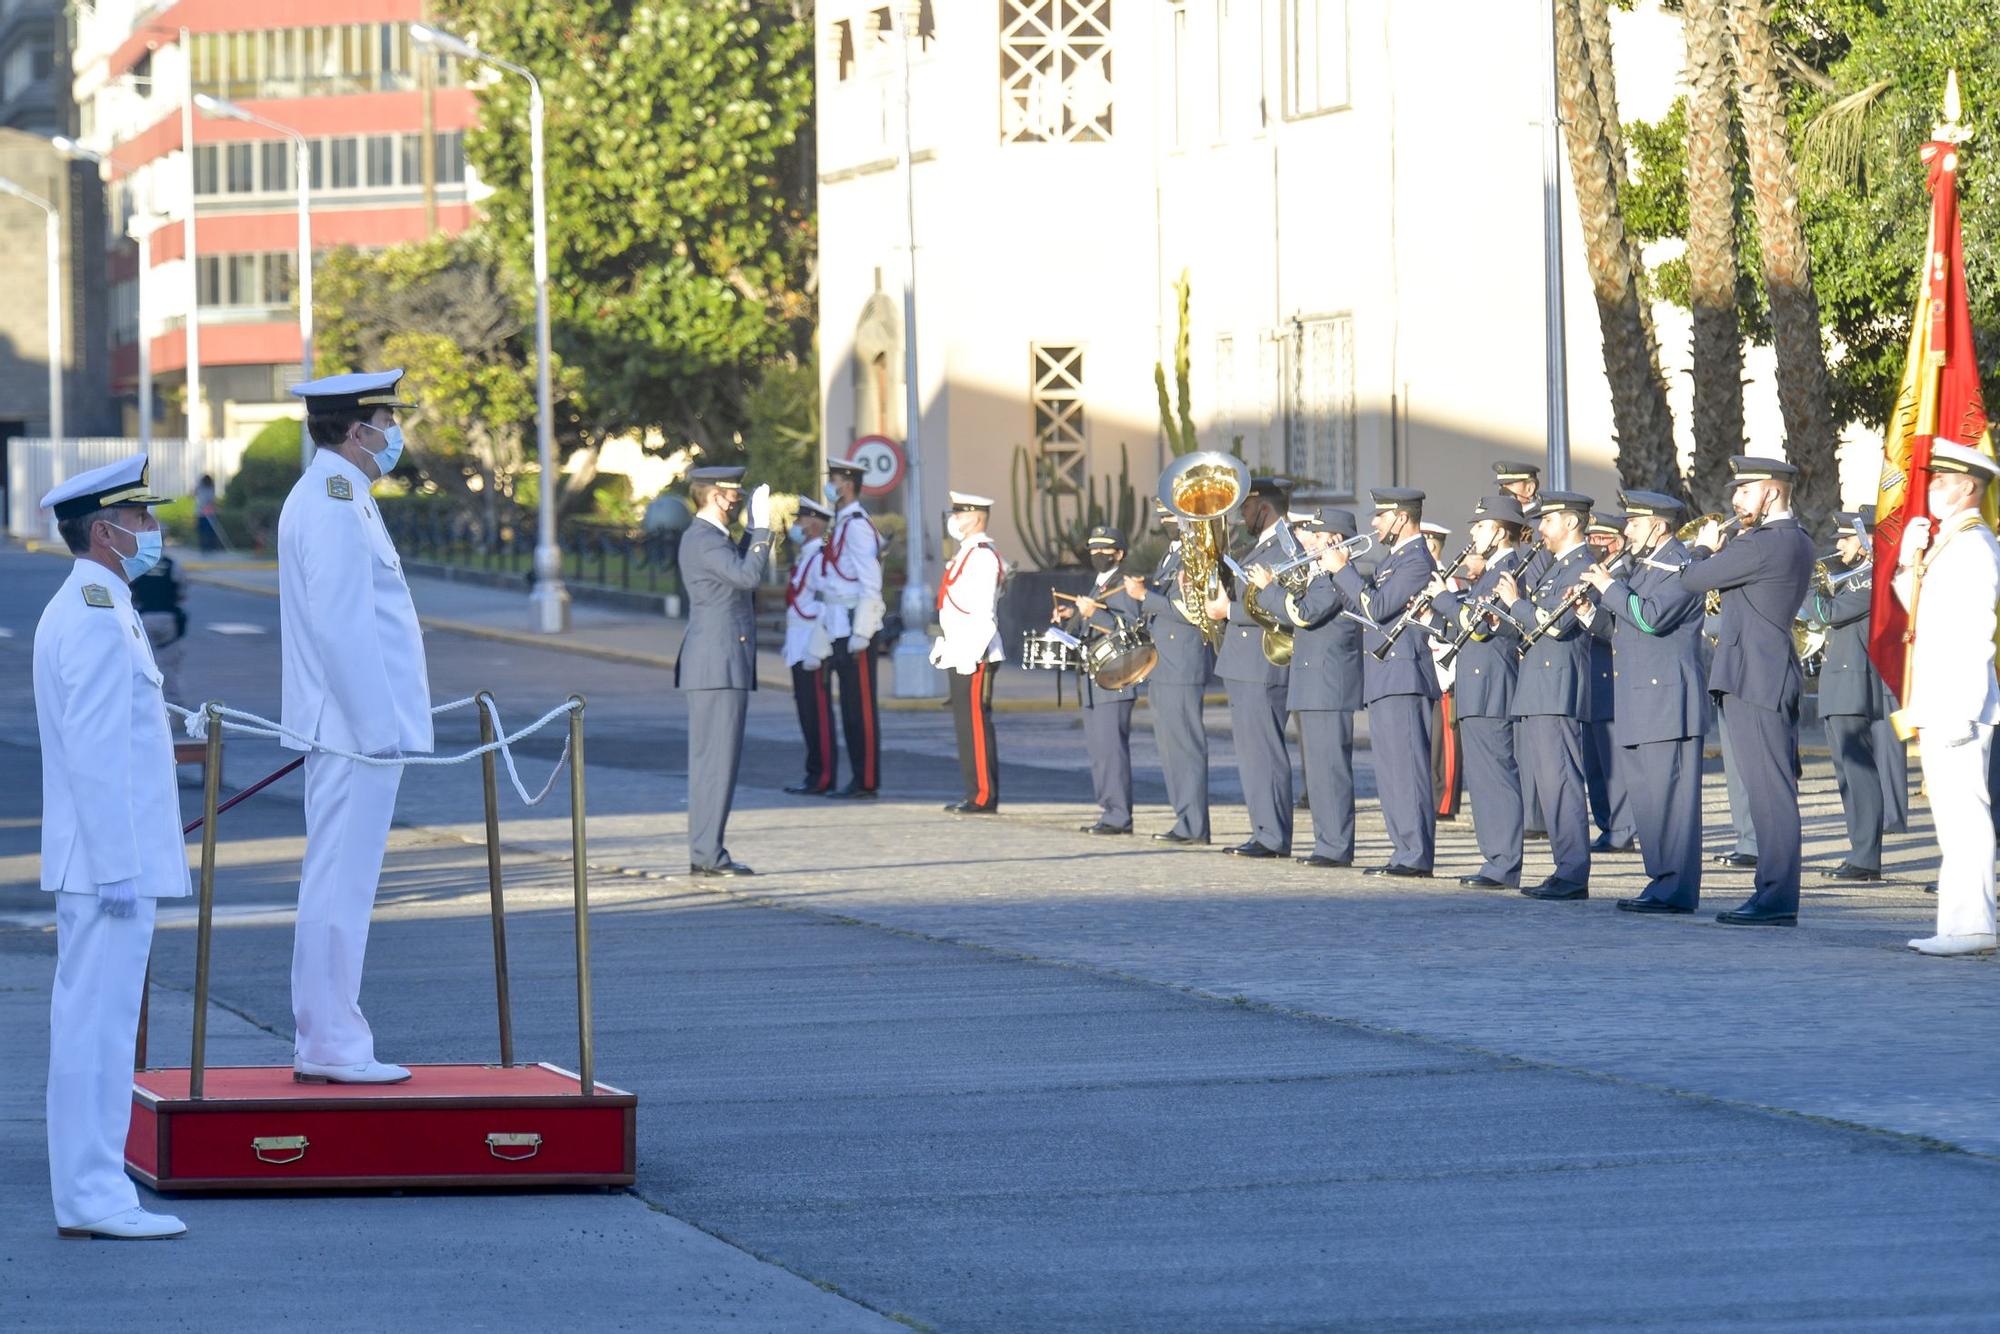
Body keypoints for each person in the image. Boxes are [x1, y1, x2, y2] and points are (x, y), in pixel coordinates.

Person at [34, 455, 189, 1241]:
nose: (153, 531)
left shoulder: (101, 602)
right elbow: (95, 753)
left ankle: (93, 1189)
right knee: (96, 1030)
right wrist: (120, 869)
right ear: (105, 531)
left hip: (102, 865)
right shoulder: (95, 612)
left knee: (95, 1026)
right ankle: (93, 1195)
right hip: (106, 871)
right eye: (141, 519)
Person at [280, 370, 433, 1084]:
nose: (393, 432)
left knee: (340, 882)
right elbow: (342, 626)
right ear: (354, 430)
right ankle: (334, 1042)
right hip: (351, 729)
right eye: (385, 420)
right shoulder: (334, 501)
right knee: (341, 884)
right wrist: (379, 729)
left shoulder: (343, 496)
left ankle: (329, 1034)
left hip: (350, 725)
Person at [1679, 455, 1816, 926]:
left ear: (1771, 491)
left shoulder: (1764, 543)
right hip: (1764, 671)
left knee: (1769, 791)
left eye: (1744, 490)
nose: (1735, 500)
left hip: (1755, 676)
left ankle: (1776, 898)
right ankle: (1774, 894)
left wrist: (1701, 549)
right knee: (1768, 790)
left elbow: (1693, 580)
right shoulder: (1792, 539)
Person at [1893, 442, 2000, 956]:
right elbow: (1919, 613)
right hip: (1939, 700)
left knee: (1966, 817)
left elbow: (1978, 632)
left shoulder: (1975, 545)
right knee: (1953, 822)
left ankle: (1975, 923)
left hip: (1960, 703)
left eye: (1942, 480)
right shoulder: (1948, 544)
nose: (1932, 487)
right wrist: (1907, 562)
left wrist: (1962, 706)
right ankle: (1960, 926)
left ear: (1968, 486)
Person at [1579, 492, 1708, 913]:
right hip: (1638, 697)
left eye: (1633, 523)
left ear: (1657, 525)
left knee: (1672, 800)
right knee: (1649, 800)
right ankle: (1660, 881)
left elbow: (1651, 617)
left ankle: (1677, 889)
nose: (1626, 531)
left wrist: (1608, 586)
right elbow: (1623, 627)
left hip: (1667, 700)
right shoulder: (1645, 566)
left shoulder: (1681, 567)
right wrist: (1588, 612)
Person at [1316, 487, 1439, 877]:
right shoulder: (1393, 560)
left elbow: (1380, 607)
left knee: (1408, 769)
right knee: (1390, 771)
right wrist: (1340, 573)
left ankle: (1415, 855)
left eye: (1380, 516)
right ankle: (1403, 850)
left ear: (1401, 518)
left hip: (1404, 674)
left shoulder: (1416, 561)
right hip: (1385, 674)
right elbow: (1364, 609)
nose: (1373, 523)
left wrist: (1344, 570)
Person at [1496, 490, 1597, 900]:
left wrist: (1514, 603)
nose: (1540, 528)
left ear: (1570, 523)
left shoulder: (1583, 566)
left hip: (1558, 687)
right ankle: (1564, 866)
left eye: (1548, 520)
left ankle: (1573, 872)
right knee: (1550, 784)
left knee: (1562, 783)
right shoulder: (1556, 567)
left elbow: (1555, 625)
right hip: (1540, 687)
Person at [675, 466, 774, 875]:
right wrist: (764, 530)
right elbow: (747, 575)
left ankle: (706, 851)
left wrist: (751, 531)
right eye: (733, 496)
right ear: (715, 496)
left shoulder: (710, 538)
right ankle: (708, 854)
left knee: (713, 764)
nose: (737, 503)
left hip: (717, 664)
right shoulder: (704, 540)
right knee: (715, 764)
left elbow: (735, 573)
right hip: (717, 666)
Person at [1432, 496, 1530, 889]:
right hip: (1476, 684)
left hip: (1493, 685)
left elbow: (1483, 626)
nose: (1472, 533)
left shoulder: (1509, 569)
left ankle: (1504, 863)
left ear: (1500, 531)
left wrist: (1442, 598)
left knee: (1497, 777)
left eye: (1481, 526)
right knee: (1484, 779)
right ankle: (1494, 858)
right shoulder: (1489, 572)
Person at [1262, 506, 1362, 867]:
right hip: (1313, 681)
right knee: (1317, 771)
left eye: (1318, 538)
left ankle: (1336, 846)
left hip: (1329, 684)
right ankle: (1326, 842)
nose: (1311, 543)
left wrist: (1268, 591)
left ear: (1335, 539)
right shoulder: (1320, 574)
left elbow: (1305, 614)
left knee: (1331, 769)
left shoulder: (1338, 577)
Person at [1207, 477, 1296, 858]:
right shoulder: (1258, 546)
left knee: (1266, 752)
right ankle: (1262, 829)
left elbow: (1283, 606)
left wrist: (1229, 611)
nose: (1241, 516)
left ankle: (1273, 836)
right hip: (1243, 664)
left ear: (1264, 507)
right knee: (1250, 754)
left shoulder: (1286, 546)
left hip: (1263, 663)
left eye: (1245, 508)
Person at [1813, 512, 1900, 882]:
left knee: (1860, 773)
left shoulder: (1871, 582)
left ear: (1865, 544)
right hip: (1838, 686)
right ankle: (1858, 852)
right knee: (1846, 774)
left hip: (1854, 687)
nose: (1838, 546)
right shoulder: (1853, 582)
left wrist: (1802, 586)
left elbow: (1827, 614)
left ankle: (1866, 857)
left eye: (1845, 539)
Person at [1059, 526, 1147, 835]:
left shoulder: (1124, 584)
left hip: (1117, 675)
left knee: (1111, 750)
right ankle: (1109, 809)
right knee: (1099, 750)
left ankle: (1119, 815)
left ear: (1119, 554)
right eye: (1093, 550)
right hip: (1094, 677)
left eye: (1104, 551)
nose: (1097, 555)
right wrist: (1073, 613)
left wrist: (1093, 614)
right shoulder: (1099, 584)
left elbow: (1131, 628)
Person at [1140, 499, 1214, 845]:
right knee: (1170, 749)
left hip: (1182, 663)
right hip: (1164, 662)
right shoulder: (1174, 554)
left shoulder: (1197, 554)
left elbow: (1195, 613)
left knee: (1184, 746)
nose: (1166, 520)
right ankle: (1184, 818)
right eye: (1164, 515)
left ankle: (1194, 823)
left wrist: (1146, 597)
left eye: (1172, 514)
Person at [812, 460, 885, 799]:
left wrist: (864, 628)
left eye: (836, 480)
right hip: (840, 622)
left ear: (850, 485)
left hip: (856, 624)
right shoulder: (842, 522)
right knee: (850, 708)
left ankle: (866, 779)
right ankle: (857, 777)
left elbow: (870, 580)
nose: (832, 485)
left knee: (861, 709)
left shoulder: (856, 525)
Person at [934, 492, 1005, 813]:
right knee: (964, 724)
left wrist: (972, 651)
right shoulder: (966, 553)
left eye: (960, 513)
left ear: (975, 517)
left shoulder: (983, 556)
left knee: (975, 724)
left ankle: (983, 795)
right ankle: (973, 789)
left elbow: (983, 610)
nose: (954, 519)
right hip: (960, 648)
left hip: (975, 652)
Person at [1582, 511, 1637, 853]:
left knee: (1613, 761)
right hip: (1590, 676)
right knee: (1595, 762)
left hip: (1611, 675)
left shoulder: (1624, 577)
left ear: (1615, 543)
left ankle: (1621, 829)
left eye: (1598, 540)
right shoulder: (1595, 576)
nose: (1592, 545)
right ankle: (1607, 824)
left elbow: (1616, 625)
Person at [783, 497, 837, 797]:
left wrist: (819, 642)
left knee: (817, 712)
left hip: (811, 644)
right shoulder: (808, 555)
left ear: (814, 524)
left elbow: (825, 603)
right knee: (806, 711)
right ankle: (813, 772)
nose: (796, 525)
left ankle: (823, 774)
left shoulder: (818, 558)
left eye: (800, 520)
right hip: (798, 643)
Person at [1420, 520, 1465, 821]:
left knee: (1445, 743)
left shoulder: (1450, 582)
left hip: (1442, 666)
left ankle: (1445, 800)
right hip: (1420, 665)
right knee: (1427, 741)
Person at [128, 547, 188, 708]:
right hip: (168, 619)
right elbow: (182, 592)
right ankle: (173, 708)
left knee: (140, 663)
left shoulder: (136, 565)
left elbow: (128, 592)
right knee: (169, 664)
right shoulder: (172, 565)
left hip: (142, 619)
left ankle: (143, 703)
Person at [194, 472, 222, 552]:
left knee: (208, 531)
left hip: (207, 513)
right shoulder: (201, 487)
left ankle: (209, 547)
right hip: (202, 513)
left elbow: (211, 500)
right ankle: (206, 547)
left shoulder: (210, 488)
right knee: (204, 531)